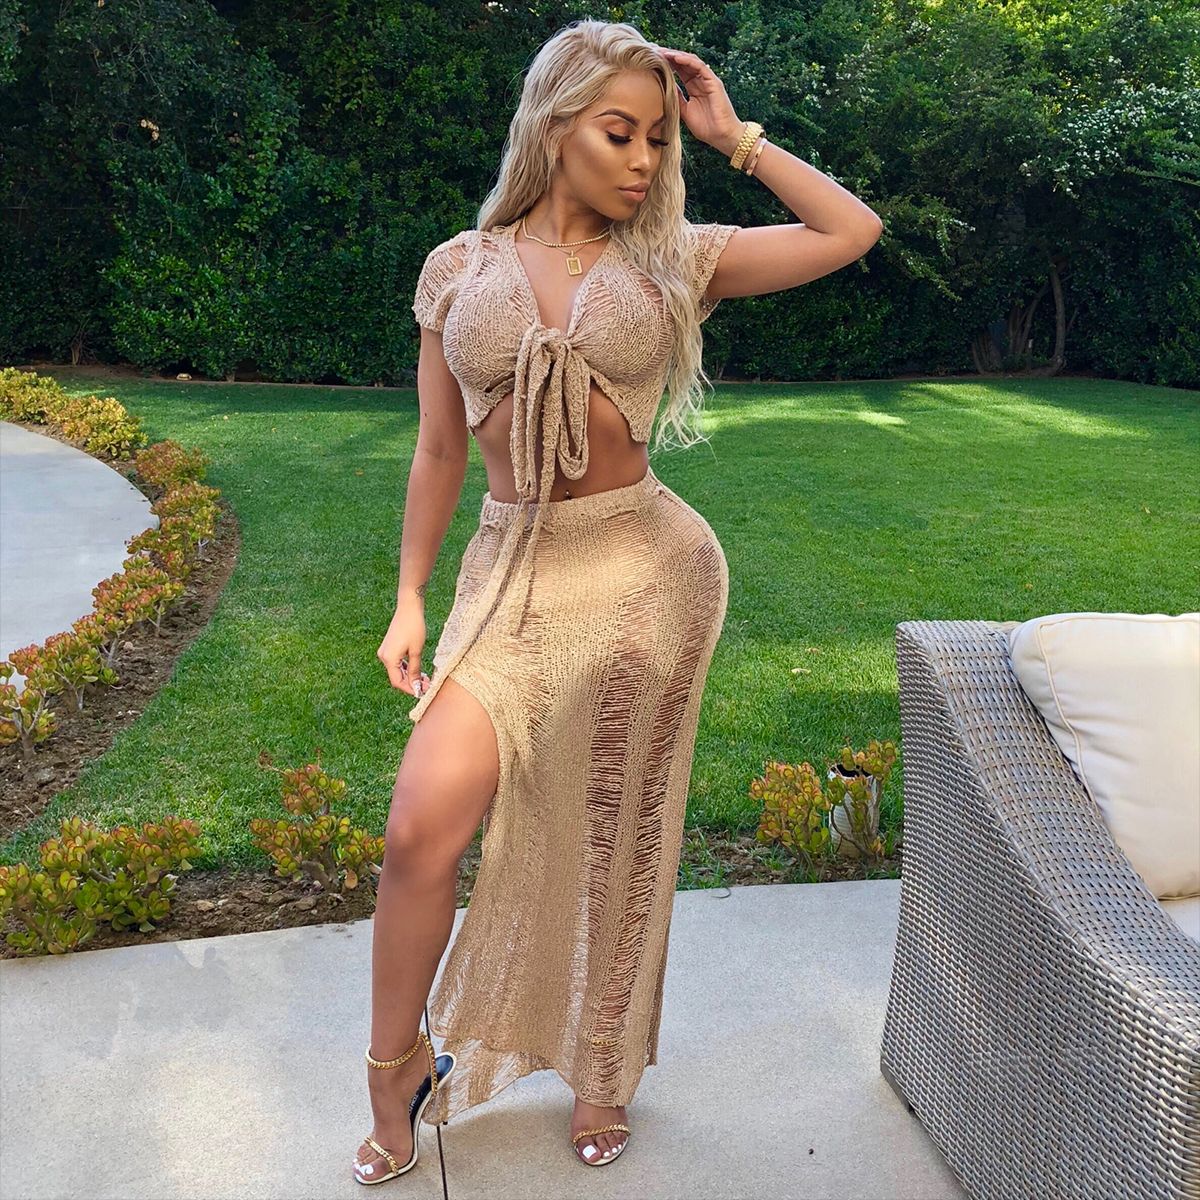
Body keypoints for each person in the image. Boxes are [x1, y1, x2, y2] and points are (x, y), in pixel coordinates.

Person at [355, 17, 883, 1184]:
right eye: (618, 132)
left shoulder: (675, 258)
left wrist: (733, 136)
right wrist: (409, 597)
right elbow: (439, 450)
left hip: (647, 571)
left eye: (656, 139)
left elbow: (850, 231)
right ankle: (395, 1071)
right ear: (554, 128)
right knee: (419, 829)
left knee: (616, 832)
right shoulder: (459, 269)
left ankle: (602, 1065)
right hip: (510, 577)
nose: (645, 159)